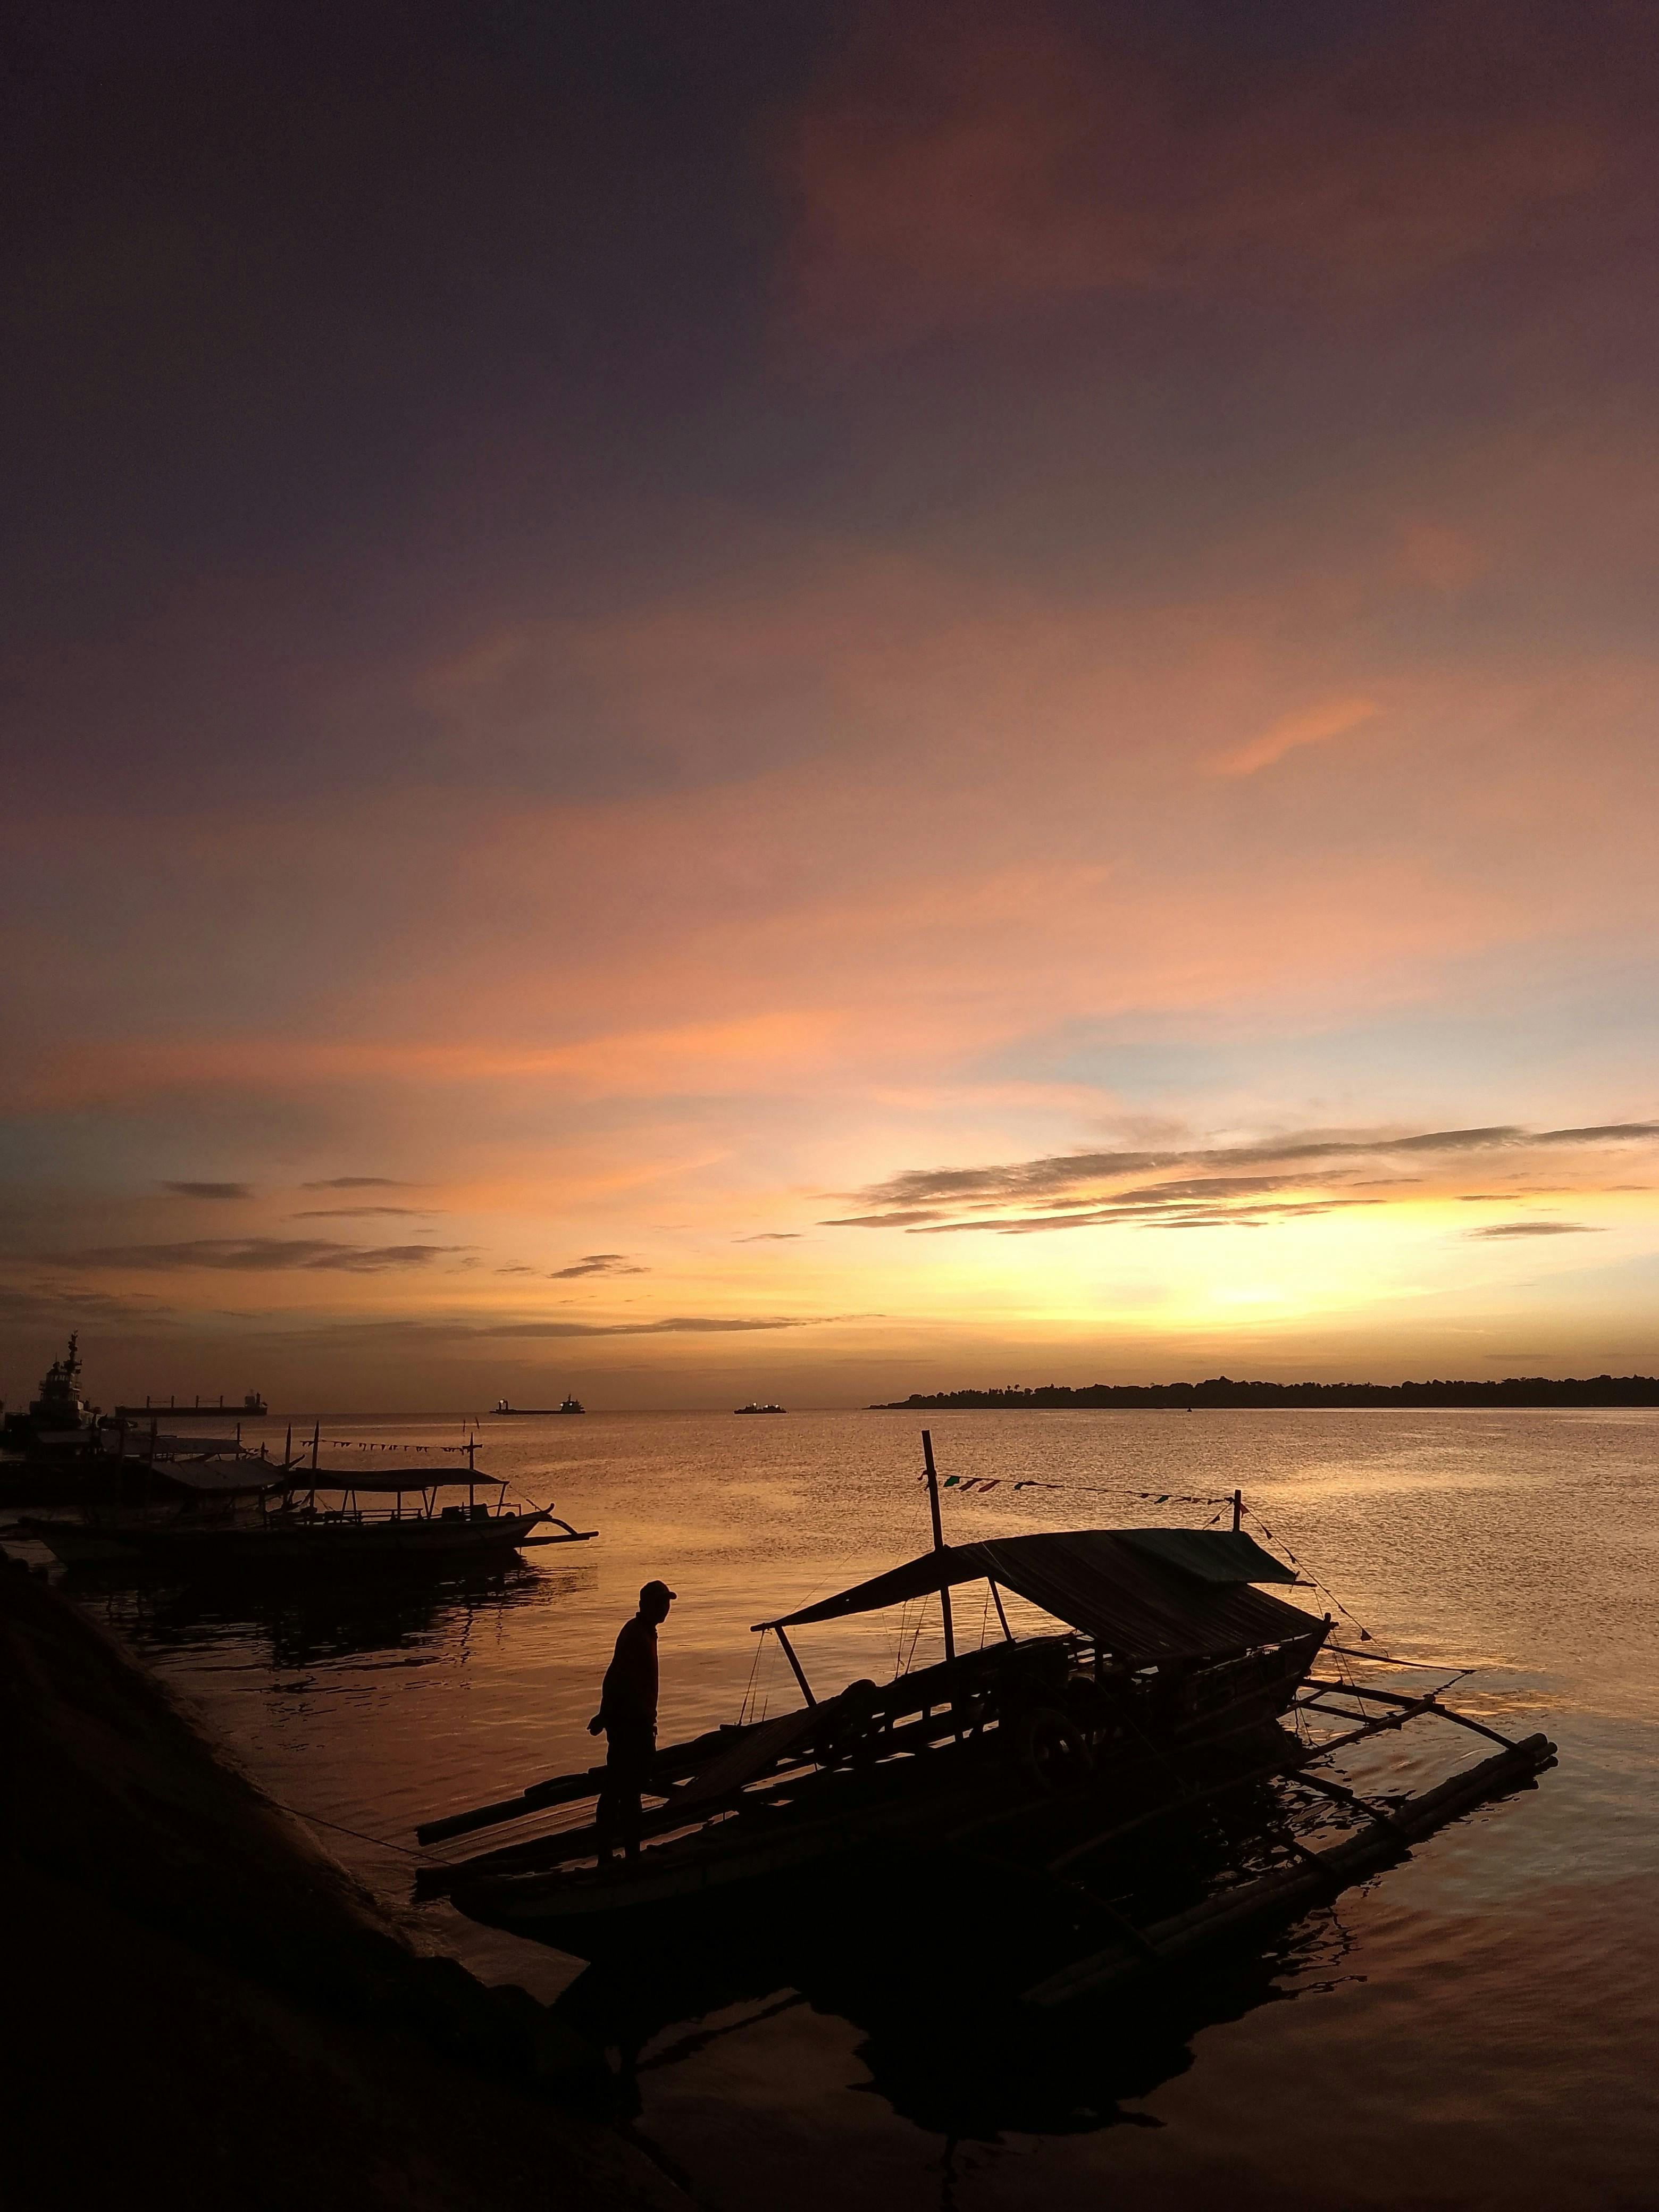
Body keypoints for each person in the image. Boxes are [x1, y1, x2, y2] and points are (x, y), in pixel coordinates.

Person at [589, 1578, 675, 1864]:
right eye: (661, 1602)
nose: (665, 1608)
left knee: (623, 1790)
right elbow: (615, 1679)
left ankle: (623, 1854)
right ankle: (621, 1856)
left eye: (667, 1603)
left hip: (636, 1723)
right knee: (622, 1791)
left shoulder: (646, 1632)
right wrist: (607, 1716)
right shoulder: (635, 1636)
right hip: (630, 1726)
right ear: (645, 1606)